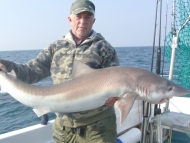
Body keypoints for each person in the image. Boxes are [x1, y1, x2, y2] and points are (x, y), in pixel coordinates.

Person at [0, 0, 120, 142]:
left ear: (94, 20)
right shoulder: (55, 48)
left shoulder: (104, 48)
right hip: (63, 129)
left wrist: (118, 97)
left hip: (98, 128)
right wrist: (4, 65)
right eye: (78, 16)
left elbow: (118, 81)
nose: (83, 21)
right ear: (70, 19)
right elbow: (30, 72)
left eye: (87, 17)